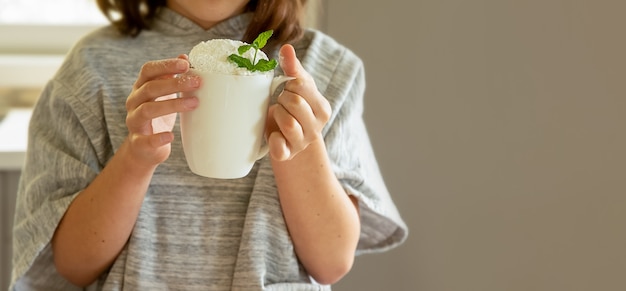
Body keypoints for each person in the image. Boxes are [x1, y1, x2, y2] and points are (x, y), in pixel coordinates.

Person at [11, 0, 408, 290]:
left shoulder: (324, 69)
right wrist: (136, 157)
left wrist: (297, 147)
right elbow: (73, 264)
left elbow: (332, 261)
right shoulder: (89, 70)